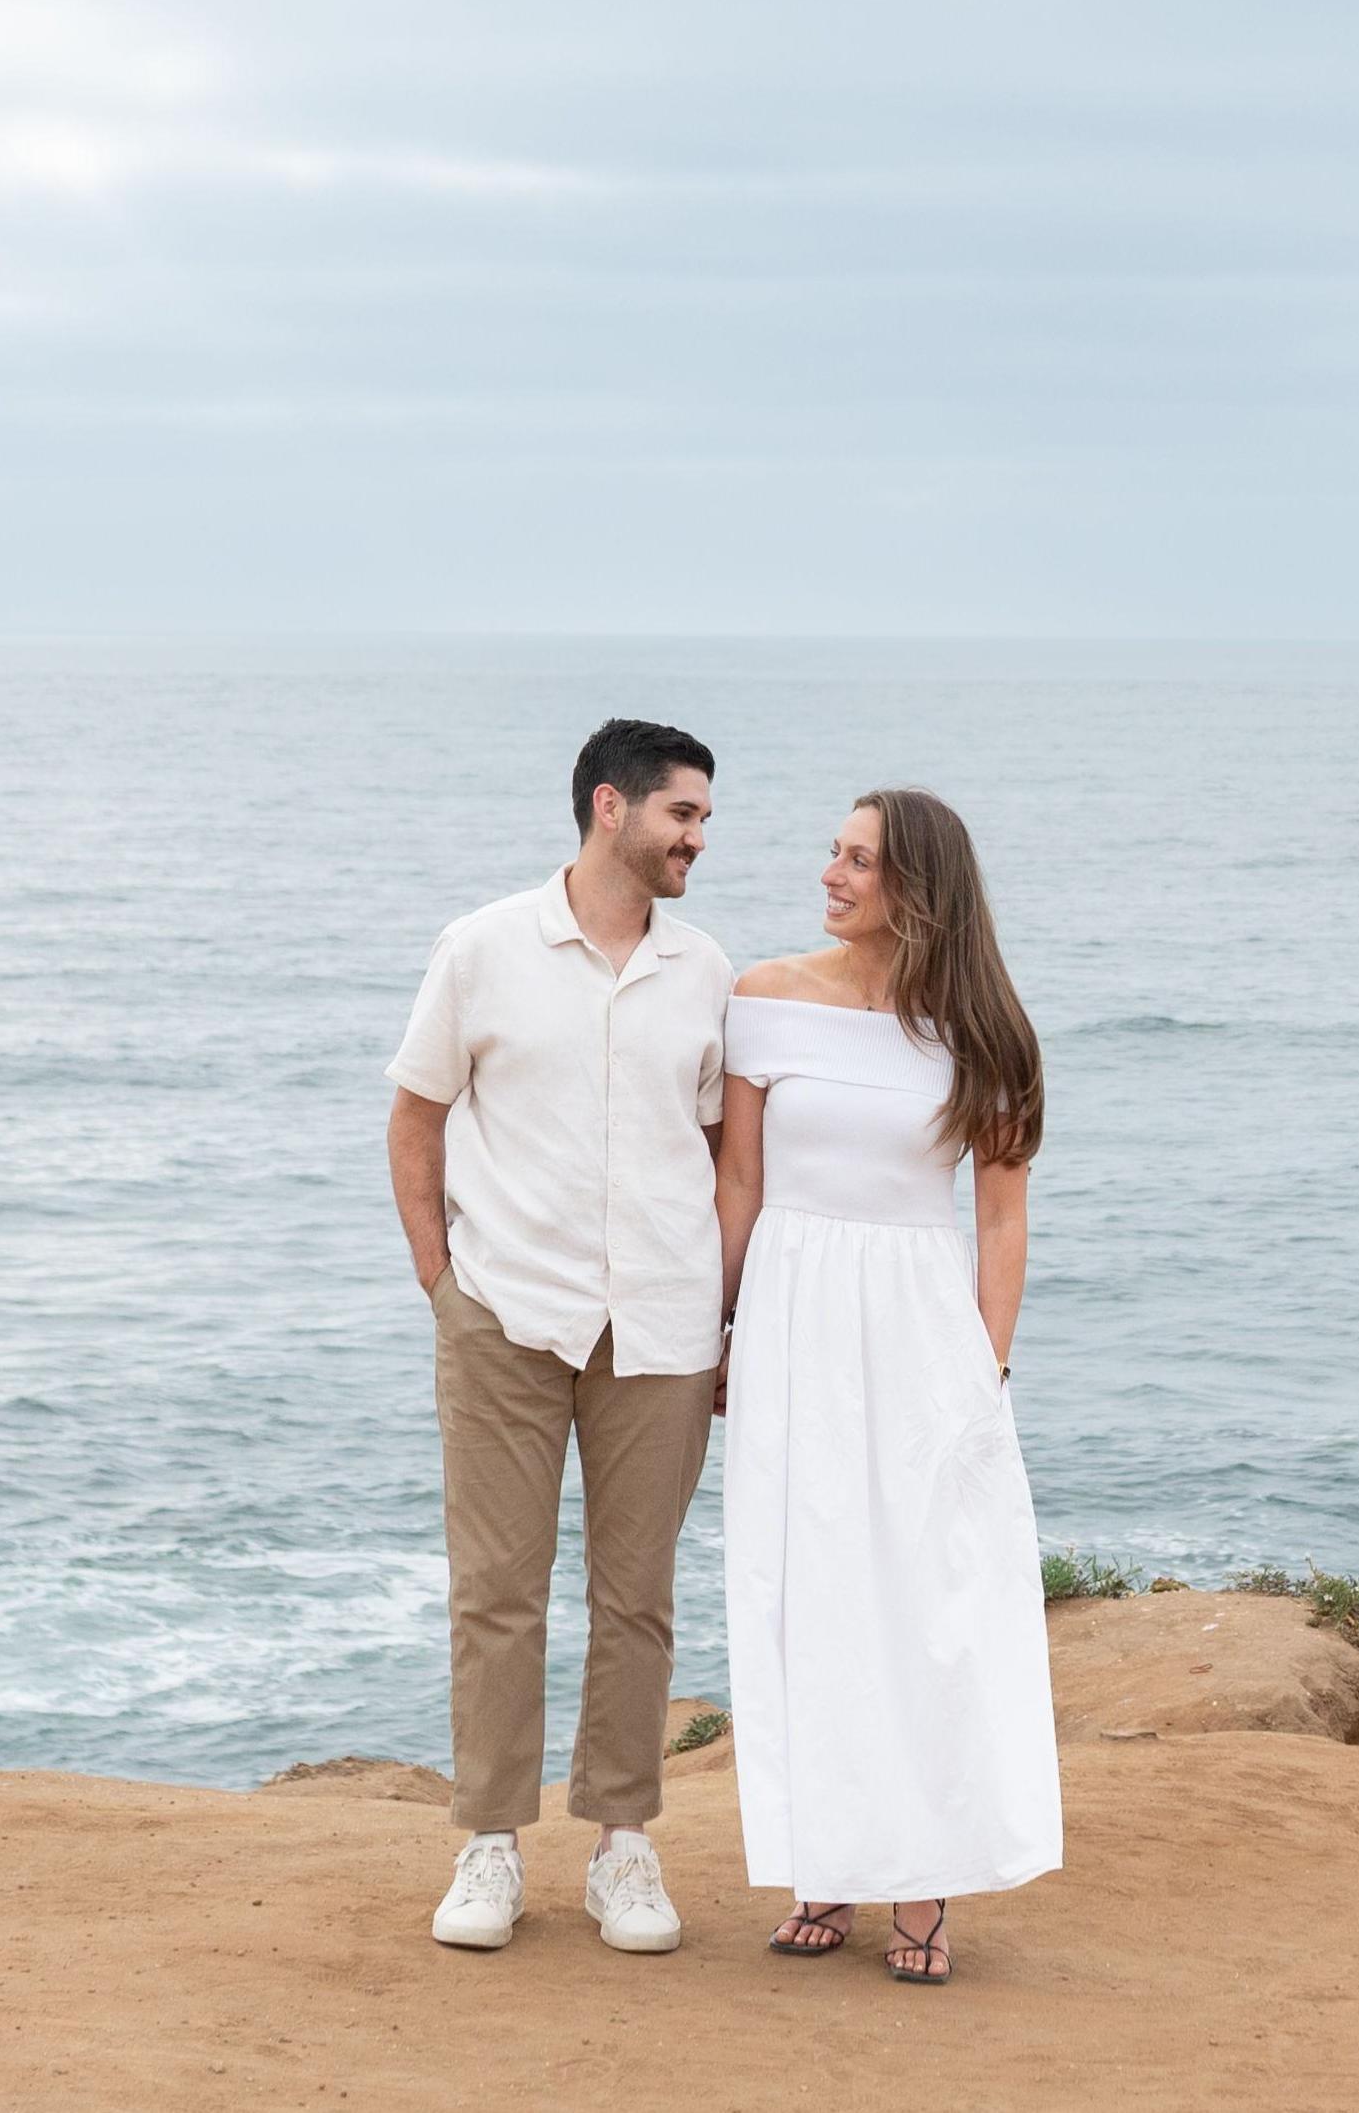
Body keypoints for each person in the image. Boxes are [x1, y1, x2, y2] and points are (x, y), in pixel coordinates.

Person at [383, 718, 732, 1957]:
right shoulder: (480, 947)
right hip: (505, 1312)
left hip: (663, 1324)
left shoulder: (705, 968)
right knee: (497, 1590)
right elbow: (415, 1117)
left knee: (638, 1598)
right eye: (683, 812)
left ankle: (622, 1845)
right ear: (609, 807)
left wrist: (726, 1311)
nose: (699, 837)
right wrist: (442, 1284)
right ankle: (489, 1841)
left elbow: (718, 1150)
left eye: (703, 817)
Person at [717, 785, 1062, 1982]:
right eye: (834, 851)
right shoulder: (764, 997)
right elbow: (739, 1186)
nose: (832, 872)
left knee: (926, 1599)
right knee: (806, 1588)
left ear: (918, 883)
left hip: (920, 1334)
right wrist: (719, 1329)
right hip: (792, 1320)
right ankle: (826, 1863)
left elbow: (1002, 1221)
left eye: (858, 858)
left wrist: (986, 1369)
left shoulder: (986, 1033)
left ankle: (922, 1880)